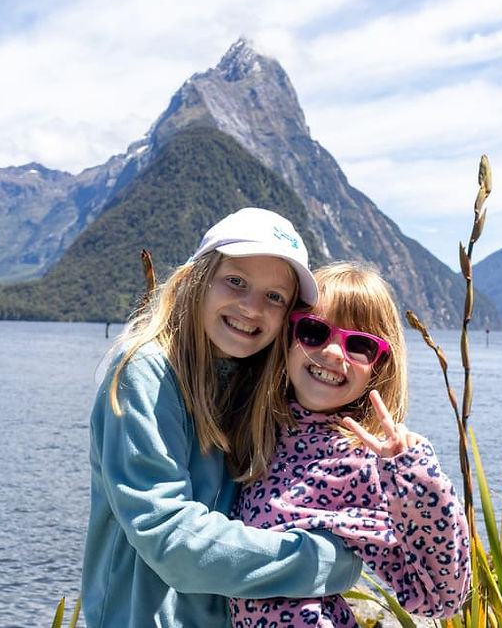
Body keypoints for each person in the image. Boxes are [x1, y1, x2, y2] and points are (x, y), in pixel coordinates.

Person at [81, 208, 363, 628]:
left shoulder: (257, 382)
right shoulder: (145, 372)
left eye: (274, 297)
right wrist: (324, 562)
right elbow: (171, 540)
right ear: (198, 280)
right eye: (236, 282)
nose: (251, 308)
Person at [229, 263, 472, 627]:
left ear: (379, 367)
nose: (333, 352)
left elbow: (440, 595)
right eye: (314, 331)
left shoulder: (363, 464)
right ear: (287, 338)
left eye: (359, 345)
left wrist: (415, 477)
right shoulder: (260, 430)